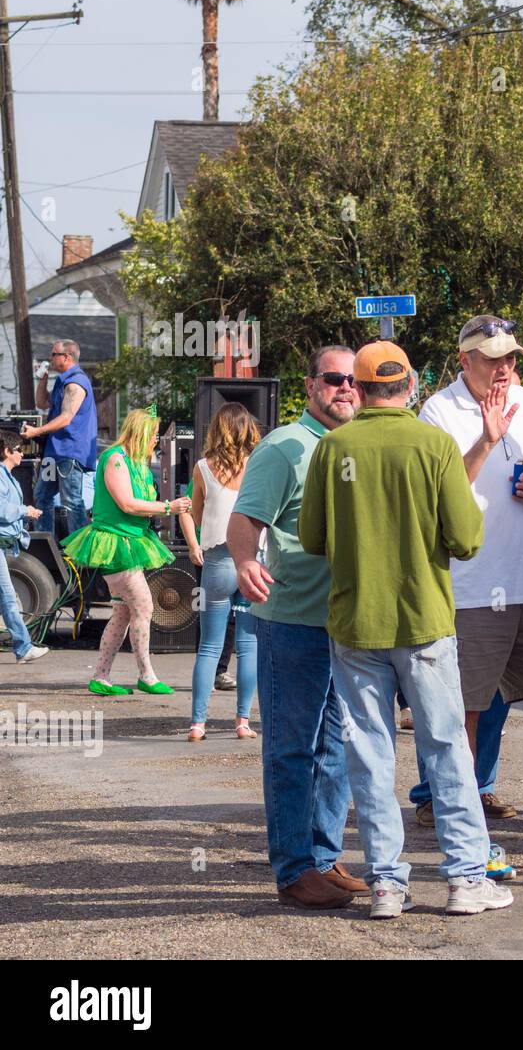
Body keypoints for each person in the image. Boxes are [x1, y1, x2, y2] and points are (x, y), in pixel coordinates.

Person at [299, 340, 511, 918]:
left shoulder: (333, 446)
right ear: (410, 385)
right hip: (423, 620)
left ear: (361, 390)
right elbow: (466, 540)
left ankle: (387, 885)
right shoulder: (436, 445)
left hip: (355, 621)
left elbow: (313, 539)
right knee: (446, 749)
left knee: (369, 755)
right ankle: (467, 877)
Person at [418, 315, 523, 870]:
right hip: (469, 589)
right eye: (493, 359)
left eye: (511, 357)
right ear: (464, 359)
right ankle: (468, 844)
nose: (505, 368)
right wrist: (487, 441)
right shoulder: (440, 412)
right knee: (463, 715)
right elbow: (439, 497)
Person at [229, 345, 367, 910]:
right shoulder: (286, 446)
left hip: (347, 624)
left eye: (354, 381)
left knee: (337, 747)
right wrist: (243, 562)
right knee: (291, 749)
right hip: (293, 622)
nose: (346, 389)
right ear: (310, 386)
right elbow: (245, 521)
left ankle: (323, 857)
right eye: (334, 379)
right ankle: (292, 870)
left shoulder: (356, 444)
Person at [62, 408, 191, 696]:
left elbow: (139, 505)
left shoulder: (137, 463)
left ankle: (101, 677)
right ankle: (146, 675)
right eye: (154, 434)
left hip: (131, 542)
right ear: (140, 432)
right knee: (144, 606)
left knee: (122, 612)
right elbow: (128, 505)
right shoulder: (116, 459)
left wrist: (164, 507)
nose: (156, 441)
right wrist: (169, 507)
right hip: (116, 544)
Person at [178, 402, 261, 742]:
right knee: (248, 645)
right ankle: (242, 722)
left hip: (218, 561)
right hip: (254, 562)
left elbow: (196, 517)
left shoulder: (202, 467)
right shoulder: (259, 465)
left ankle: (198, 724)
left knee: (210, 647)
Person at [23, 340, 97, 536]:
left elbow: (66, 418)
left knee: (71, 500)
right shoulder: (62, 381)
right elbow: (42, 402)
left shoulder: (76, 383)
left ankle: (82, 552)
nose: (50, 357)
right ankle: (46, 544)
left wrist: (35, 432)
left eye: (54, 354)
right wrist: (43, 378)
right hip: (54, 452)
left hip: (70, 452)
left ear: (67, 357)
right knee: (42, 496)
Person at [0, 431, 49, 663]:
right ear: (7, 452)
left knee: (8, 597)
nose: (22, 453)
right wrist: (25, 510)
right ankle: (23, 648)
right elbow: (2, 511)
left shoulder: (7, 476)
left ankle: (23, 648)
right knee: (9, 597)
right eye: (18, 449)